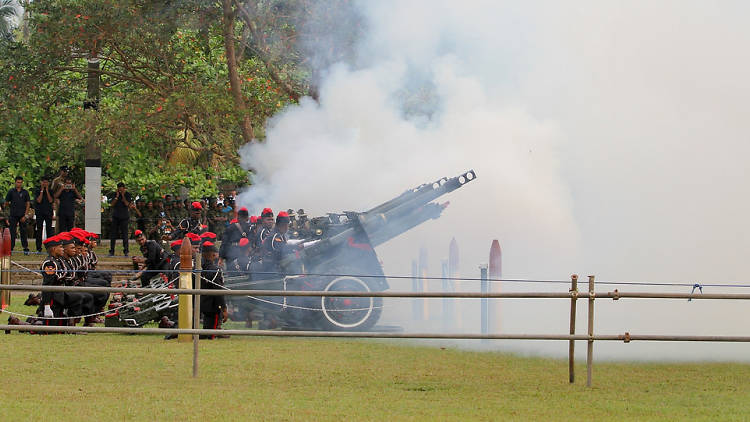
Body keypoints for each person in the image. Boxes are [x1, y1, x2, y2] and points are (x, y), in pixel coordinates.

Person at [199, 242, 228, 339]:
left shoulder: (198, 267)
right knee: (210, 335)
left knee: (207, 328)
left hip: (201, 303)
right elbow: (218, 291)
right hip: (213, 305)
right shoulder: (215, 270)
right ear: (213, 254)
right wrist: (224, 308)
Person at [4, 176, 31, 254]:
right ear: (15, 182)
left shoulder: (25, 192)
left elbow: (28, 204)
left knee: (24, 232)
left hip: (22, 214)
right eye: (18, 182)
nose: (19, 184)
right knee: (12, 232)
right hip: (13, 214)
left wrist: (25, 215)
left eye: (20, 182)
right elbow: (6, 202)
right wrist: (10, 206)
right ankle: (11, 248)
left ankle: (25, 248)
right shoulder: (11, 191)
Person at [108, 182, 132, 257]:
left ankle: (126, 251)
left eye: (121, 188)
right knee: (113, 235)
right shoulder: (114, 194)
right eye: (119, 188)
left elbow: (127, 204)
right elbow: (112, 204)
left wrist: (123, 196)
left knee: (125, 235)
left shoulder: (128, 194)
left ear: (124, 188)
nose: (120, 190)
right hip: (116, 216)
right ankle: (112, 251)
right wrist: (117, 197)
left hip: (124, 217)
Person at [33, 176, 55, 253]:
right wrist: (42, 191)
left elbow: (51, 200)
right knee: (39, 230)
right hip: (39, 212)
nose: (45, 183)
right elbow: (38, 200)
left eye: (46, 182)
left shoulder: (51, 191)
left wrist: (47, 191)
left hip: (48, 212)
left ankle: (49, 248)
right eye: (43, 182)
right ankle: (38, 248)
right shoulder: (37, 190)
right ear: (41, 182)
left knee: (49, 230)